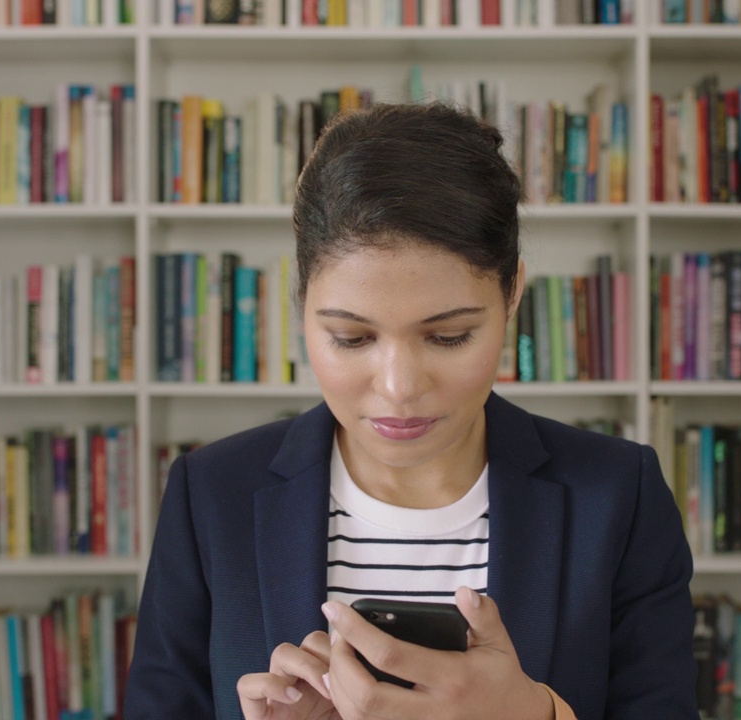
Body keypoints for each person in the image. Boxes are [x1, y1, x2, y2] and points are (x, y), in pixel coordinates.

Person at [123, 102, 697, 720]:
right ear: (300, 302)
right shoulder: (211, 495)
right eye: (352, 338)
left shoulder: (617, 496)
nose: (398, 388)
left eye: (448, 337)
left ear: (511, 296)